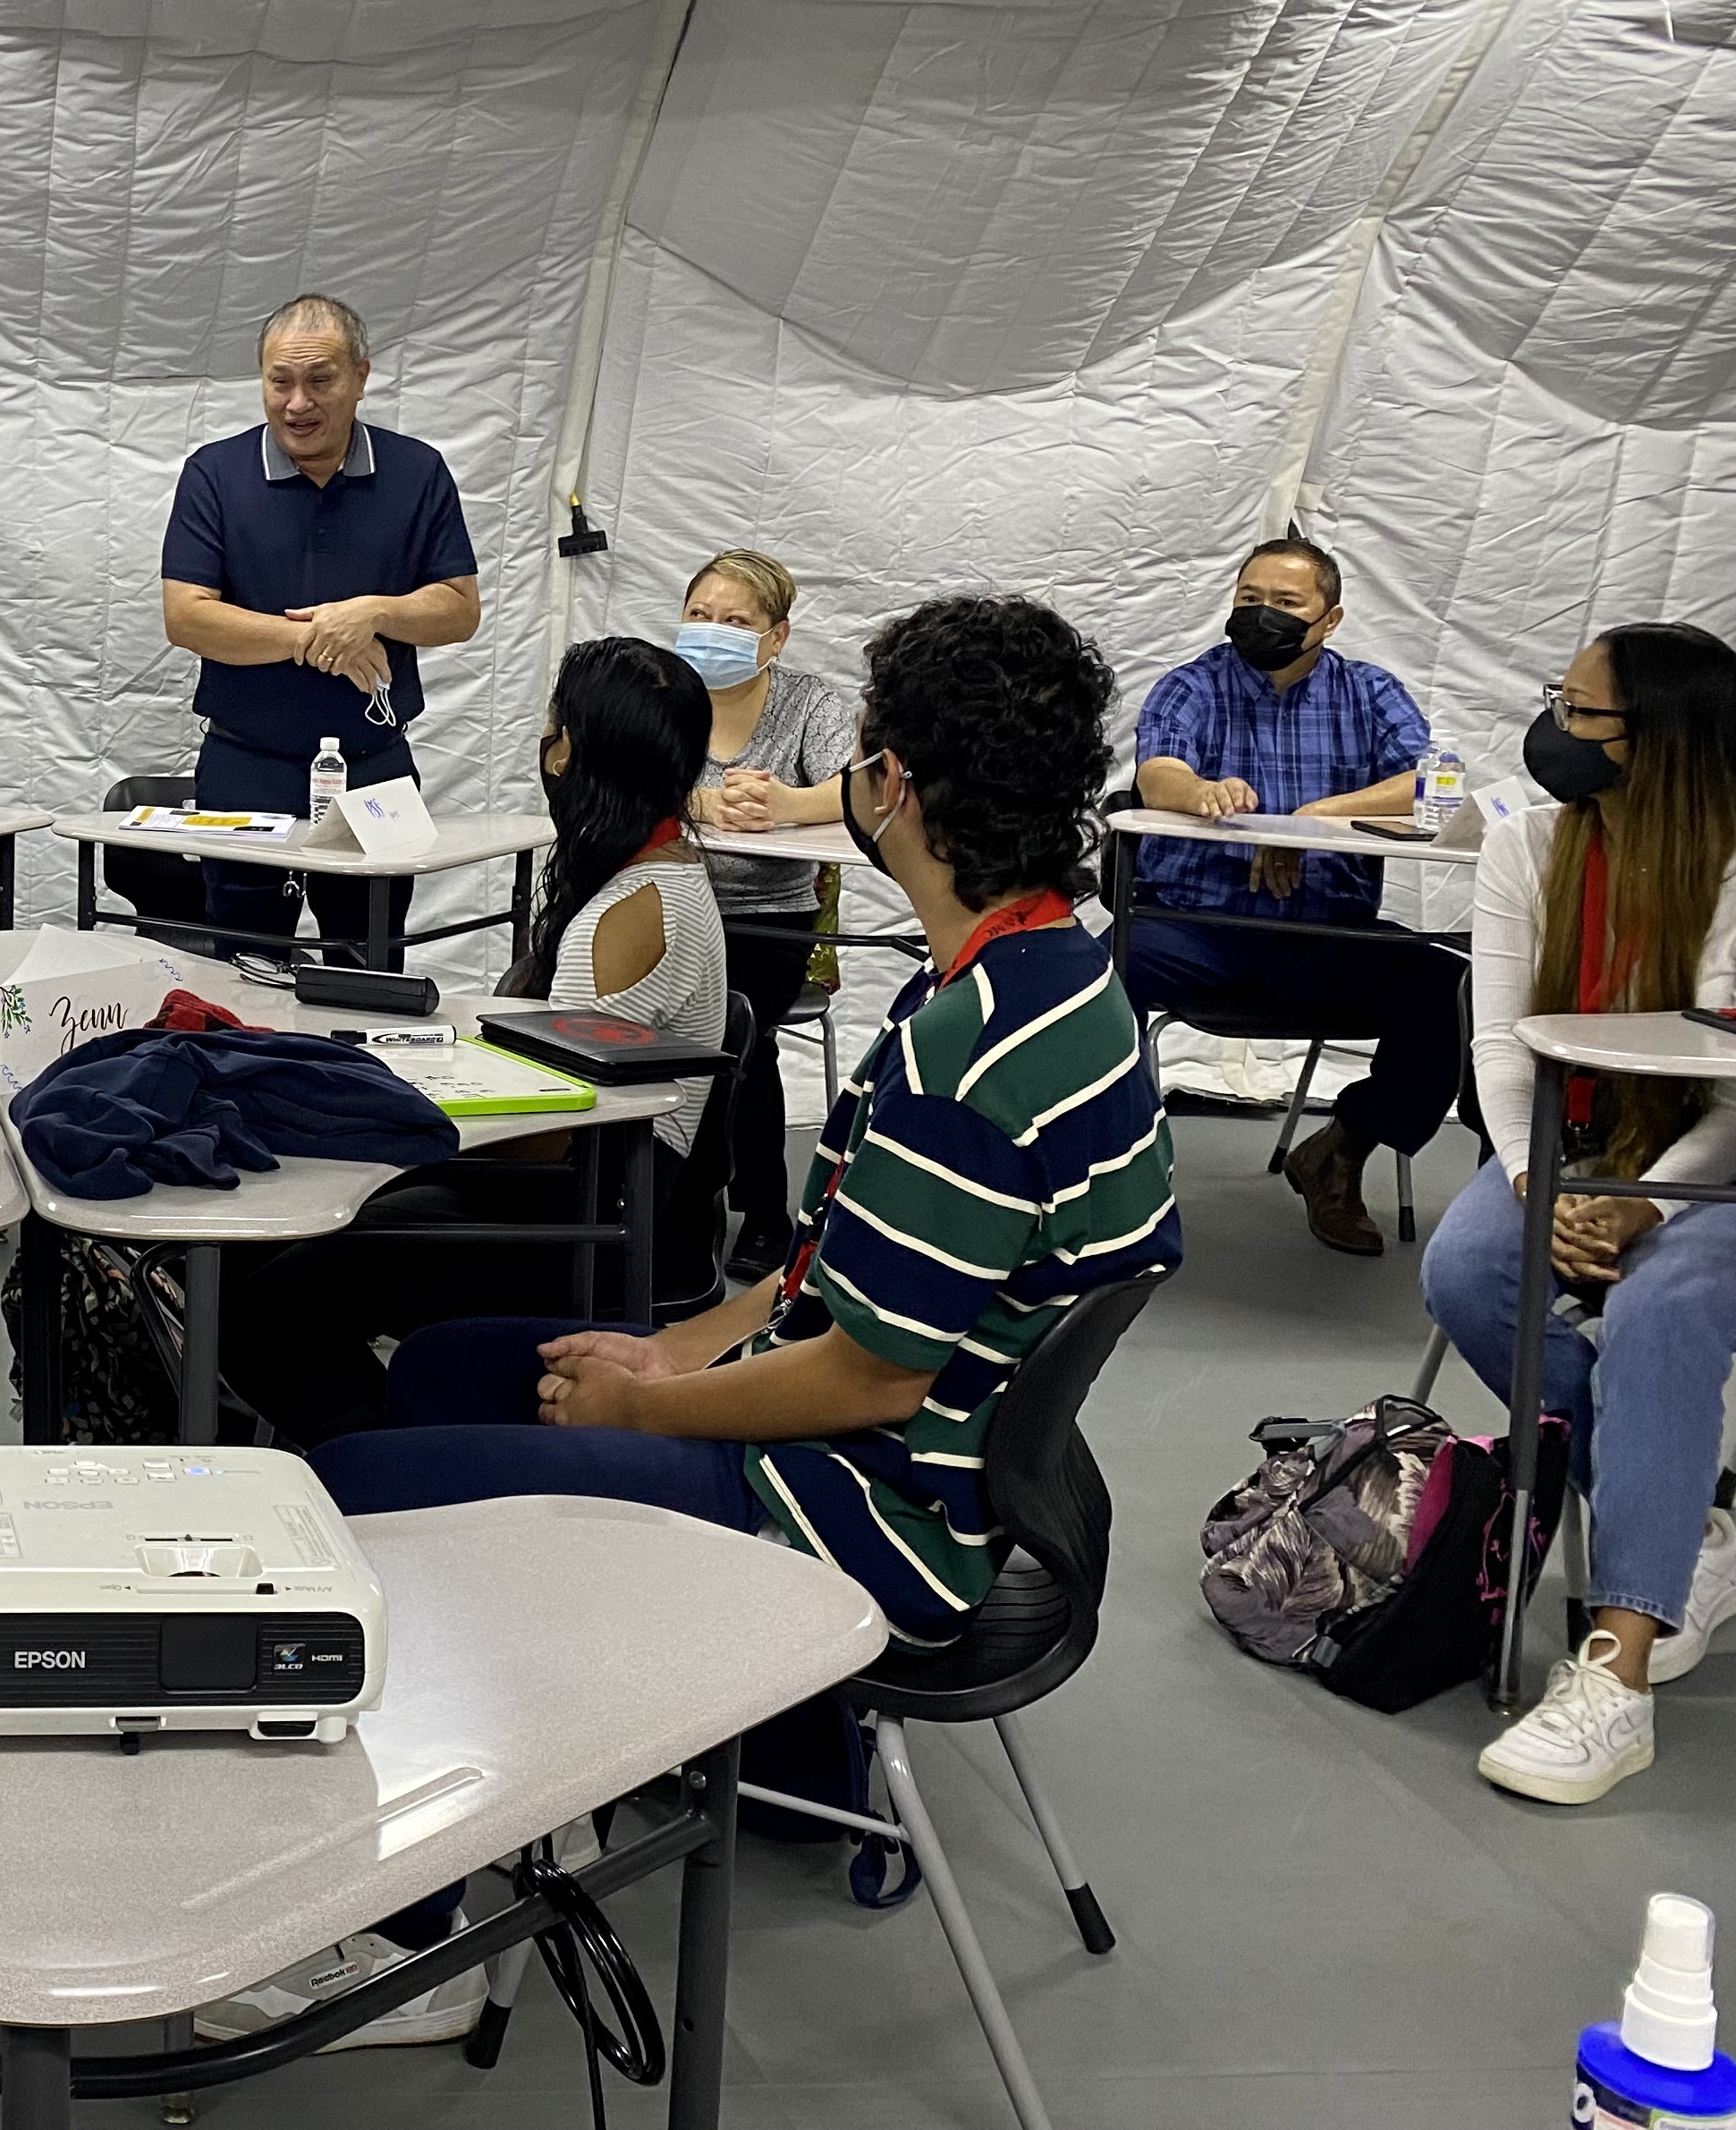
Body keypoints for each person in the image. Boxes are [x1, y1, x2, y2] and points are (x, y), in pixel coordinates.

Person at [210, 599, 1174, 2051]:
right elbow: (822, 1285)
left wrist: (647, 1407)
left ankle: (398, 1943)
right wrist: (676, 1346)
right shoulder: (1055, 981)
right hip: (934, 1466)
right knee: (457, 1369)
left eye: (857, 749)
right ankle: (504, 1756)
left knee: (349, 1488)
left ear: (892, 783)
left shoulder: (968, 1049)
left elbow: (866, 1367)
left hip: (863, 1507)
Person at [216, 639, 726, 1446]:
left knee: (263, 1306)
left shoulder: (630, 912)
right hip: (598, 1189)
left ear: (584, 758)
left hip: (586, 1206)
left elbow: (556, 1133)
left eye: (555, 732)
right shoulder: (657, 876)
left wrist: (401, 1122)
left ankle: (382, 1462)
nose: (545, 752)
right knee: (275, 1247)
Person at [1425, 622, 1736, 1806]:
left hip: (1715, 1156)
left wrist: (1642, 1208)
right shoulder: (1529, 846)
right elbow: (1504, 1042)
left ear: (1662, 744)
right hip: (1574, 1146)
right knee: (1467, 1275)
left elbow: (1730, 1087)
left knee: (1666, 1303)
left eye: (1584, 710)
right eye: (1559, 695)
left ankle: (1618, 1673)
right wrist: (1533, 1184)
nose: (1555, 726)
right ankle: (1676, 1514)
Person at [1122, 530, 1458, 1255]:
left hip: (1322, 931)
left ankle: (1342, 1150)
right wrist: (1205, 793)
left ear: (1328, 619)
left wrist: (1311, 821)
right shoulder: (1192, 684)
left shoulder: (1369, 692)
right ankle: (1104, 1174)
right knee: (1083, 985)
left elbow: (1436, 782)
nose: (1262, 615)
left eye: (1284, 602)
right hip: (1192, 923)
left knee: (1450, 991)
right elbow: (1157, 774)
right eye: (1249, 599)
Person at [159, 293, 478, 961]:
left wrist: (375, 613)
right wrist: (317, 637)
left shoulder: (418, 472)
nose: (297, 403)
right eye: (280, 382)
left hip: (376, 770)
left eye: (320, 381)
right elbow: (187, 617)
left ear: (361, 377)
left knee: (372, 966)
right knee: (244, 971)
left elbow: (459, 608)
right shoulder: (214, 475)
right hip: (245, 765)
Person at [675, 550, 862, 1275]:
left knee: (738, 1033)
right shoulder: (662, 693)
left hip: (769, 917)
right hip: (669, 902)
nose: (712, 631)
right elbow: (625, 776)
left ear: (776, 637)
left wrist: (787, 804)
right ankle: (670, 1196)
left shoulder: (809, 701)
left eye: (734, 621)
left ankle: (762, 1209)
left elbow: (859, 790)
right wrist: (704, 802)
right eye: (699, 616)